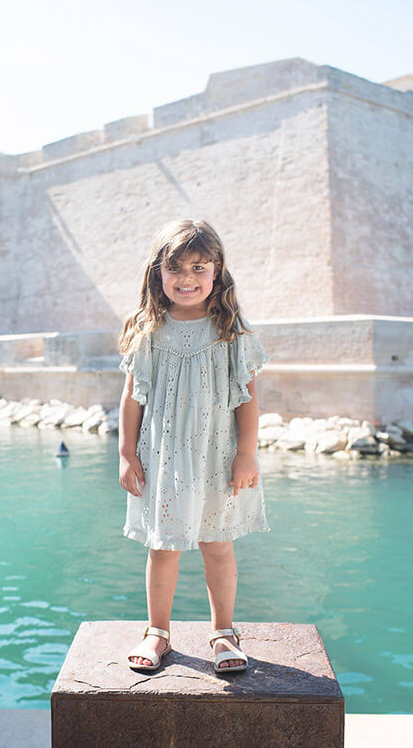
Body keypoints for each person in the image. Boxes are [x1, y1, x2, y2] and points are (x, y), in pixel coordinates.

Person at [117, 219, 268, 674]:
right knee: (162, 548)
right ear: (157, 274)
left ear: (217, 271)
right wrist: (127, 453)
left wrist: (247, 454)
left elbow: (248, 396)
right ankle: (157, 631)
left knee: (217, 544)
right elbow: (131, 395)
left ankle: (223, 632)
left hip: (217, 457)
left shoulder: (231, 332)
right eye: (175, 269)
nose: (186, 279)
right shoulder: (149, 331)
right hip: (163, 459)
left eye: (198, 268)